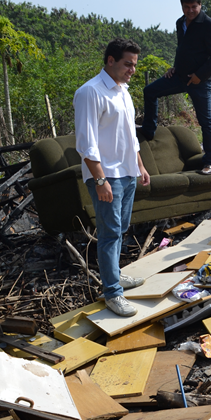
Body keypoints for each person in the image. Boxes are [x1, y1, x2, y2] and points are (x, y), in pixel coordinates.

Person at [75, 38, 151, 317]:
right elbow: (86, 143)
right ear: (110, 60)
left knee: (121, 228)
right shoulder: (90, 92)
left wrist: (140, 166)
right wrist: (99, 180)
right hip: (107, 175)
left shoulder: (123, 91)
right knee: (109, 234)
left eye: (134, 64)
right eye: (127, 64)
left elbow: (130, 137)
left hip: (128, 171)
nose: (132, 69)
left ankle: (115, 275)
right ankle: (112, 293)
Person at [138, 0, 211, 175]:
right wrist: (175, 67)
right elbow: (182, 49)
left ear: (200, 5)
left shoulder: (210, 25)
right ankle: (148, 131)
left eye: (194, 7)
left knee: (205, 121)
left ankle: (210, 161)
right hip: (180, 76)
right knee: (150, 91)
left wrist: (198, 76)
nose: (191, 11)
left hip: (200, 80)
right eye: (187, 7)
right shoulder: (180, 23)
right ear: (182, 6)